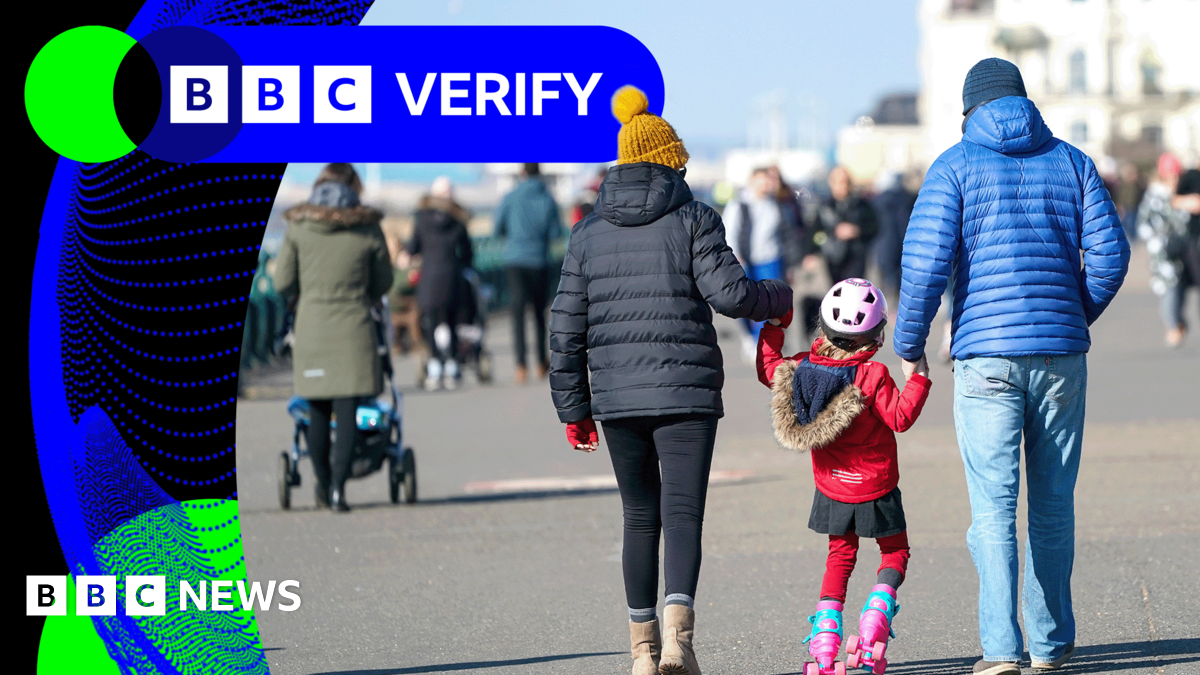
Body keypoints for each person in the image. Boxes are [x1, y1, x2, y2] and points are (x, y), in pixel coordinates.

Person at [894, 58, 1129, 675]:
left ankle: (1001, 651)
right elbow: (1110, 254)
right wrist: (1072, 313)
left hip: (985, 359)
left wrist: (909, 342)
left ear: (968, 109)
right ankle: (1050, 645)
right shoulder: (1072, 162)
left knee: (993, 509)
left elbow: (923, 267)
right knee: (1053, 503)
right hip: (1060, 356)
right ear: (1025, 102)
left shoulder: (953, 166)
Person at [549, 85, 792, 675]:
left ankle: (641, 652)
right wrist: (779, 297)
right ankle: (681, 645)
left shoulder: (586, 233)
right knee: (682, 514)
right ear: (670, 161)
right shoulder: (693, 217)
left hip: (615, 395)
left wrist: (574, 409)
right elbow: (733, 296)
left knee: (638, 514)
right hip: (686, 393)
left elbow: (565, 330)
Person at [756, 279, 930, 674]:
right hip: (877, 486)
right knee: (895, 553)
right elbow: (900, 418)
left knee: (841, 555)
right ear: (877, 334)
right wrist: (918, 376)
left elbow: (769, 368)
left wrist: (774, 326)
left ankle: (824, 645)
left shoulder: (801, 367)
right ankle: (874, 619)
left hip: (832, 487)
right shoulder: (872, 375)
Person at [274, 163, 394, 512]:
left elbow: (282, 283)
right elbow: (383, 280)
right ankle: (340, 490)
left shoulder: (298, 227)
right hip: (354, 328)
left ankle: (323, 485)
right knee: (347, 408)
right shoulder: (368, 227)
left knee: (316, 409)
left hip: (312, 327)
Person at [495, 162, 564, 383]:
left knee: (517, 313)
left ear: (523, 173)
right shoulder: (548, 198)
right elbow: (556, 233)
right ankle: (541, 362)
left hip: (514, 259)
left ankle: (520, 365)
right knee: (538, 313)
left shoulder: (511, 197)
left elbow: (497, 229)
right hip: (539, 260)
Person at [723, 167, 800, 359]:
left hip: (771, 260)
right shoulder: (739, 204)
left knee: (769, 303)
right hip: (745, 260)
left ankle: (761, 340)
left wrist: (790, 264)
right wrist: (735, 256)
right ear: (752, 181)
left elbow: (787, 235)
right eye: (761, 179)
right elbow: (730, 231)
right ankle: (748, 336)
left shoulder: (777, 205)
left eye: (767, 180)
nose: (766, 184)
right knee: (743, 302)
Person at [407, 176, 473, 390]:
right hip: (452, 276)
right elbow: (468, 253)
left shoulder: (422, 219)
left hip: (429, 277)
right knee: (452, 321)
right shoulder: (457, 220)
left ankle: (435, 365)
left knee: (432, 322)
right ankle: (453, 364)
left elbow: (412, 247)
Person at [801, 167, 878, 337]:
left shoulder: (862, 205)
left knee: (855, 294)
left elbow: (875, 228)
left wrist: (857, 230)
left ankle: (854, 330)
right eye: (838, 182)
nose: (842, 186)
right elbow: (814, 233)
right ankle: (837, 330)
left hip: (856, 255)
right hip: (833, 257)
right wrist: (811, 253)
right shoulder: (824, 206)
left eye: (845, 182)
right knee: (835, 294)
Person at [1136, 152, 1193, 348]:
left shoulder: (1183, 192)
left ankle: (1179, 322)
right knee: (1170, 287)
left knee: (1182, 287)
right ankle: (1173, 327)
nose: (1174, 179)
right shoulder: (1156, 194)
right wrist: (1158, 239)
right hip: (1163, 253)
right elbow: (1143, 224)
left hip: (1184, 250)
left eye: (1177, 175)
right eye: (1171, 175)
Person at [872, 169, 921, 303]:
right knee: (902, 276)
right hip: (905, 240)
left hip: (883, 243)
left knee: (885, 277)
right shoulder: (909, 198)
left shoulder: (877, 201)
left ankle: (885, 304)